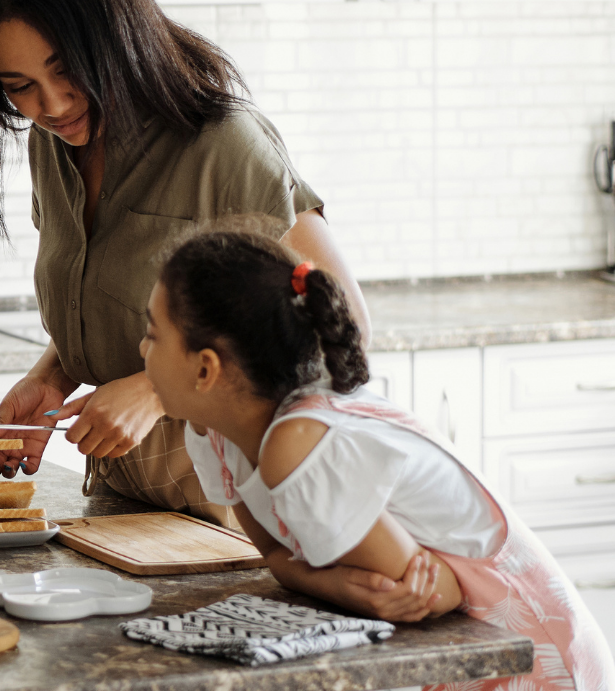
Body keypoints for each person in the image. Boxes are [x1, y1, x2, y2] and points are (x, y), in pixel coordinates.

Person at [0, 0, 368, 524]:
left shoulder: (224, 143)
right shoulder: (53, 143)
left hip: (241, 508)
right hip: (126, 500)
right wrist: (53, 374)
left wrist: (155, 392)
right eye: (20, 88)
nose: (53, 105)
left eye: (67, 71)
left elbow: (337, 329)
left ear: (117, 39)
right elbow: (131, 303)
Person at [142, 226, 612, 689]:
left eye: (152, 334)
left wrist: (322, 579)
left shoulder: (299, 442)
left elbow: (427, 594)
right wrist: (338, 585)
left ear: (206, 368)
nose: (142, 351)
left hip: (534, 653)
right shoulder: (215, 433)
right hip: (459, 654)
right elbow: (277, 559)